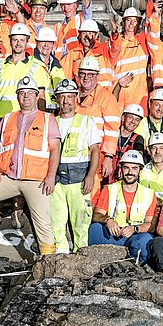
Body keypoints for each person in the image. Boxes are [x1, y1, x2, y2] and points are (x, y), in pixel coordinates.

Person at [0, 76, 61, 259]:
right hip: (9, 178)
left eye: (30, 93)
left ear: (36, 96)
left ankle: (49, 260)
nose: (26, 96)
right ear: (17, 96)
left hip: (36, 181)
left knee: (43, 223)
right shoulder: (8, 118)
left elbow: (55, 149)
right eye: (22, 93)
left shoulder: (48, 119)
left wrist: (51, 176)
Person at [51, 78, 102, 254]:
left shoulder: (87, 122)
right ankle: (60, 255)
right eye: (62, 97)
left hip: (79, 177)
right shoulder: (51, 122)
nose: (65, 101)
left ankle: (82, 255)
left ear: (76, 98)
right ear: (57, 99)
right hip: (56, 178)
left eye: (69, 96)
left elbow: (95, 150)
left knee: (81, 221)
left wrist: (90, 176)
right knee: (56, 220)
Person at [87, 150, 156, 263]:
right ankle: (101, 263)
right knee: (95, 229)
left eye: (134, 168)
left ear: (140, 171)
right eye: (126, 168)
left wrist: (134, 229)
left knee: (146, 240)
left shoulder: (148, 194)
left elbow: (151, 225)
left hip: (134, 237)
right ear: (121, 169)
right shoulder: (109, 189)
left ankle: (132, 265)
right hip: (113, 236)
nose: (130, 172)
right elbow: (96, 215)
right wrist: (108, 220)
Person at [0, 23, 53, 117]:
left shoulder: (36, 67)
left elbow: (41, 97)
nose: (18, 43)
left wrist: (40, 119)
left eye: (22, 40)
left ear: (27, 42)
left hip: (25, 117)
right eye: (15, 40)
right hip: (1, 116)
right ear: (10, 41)